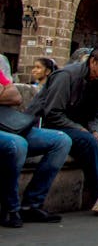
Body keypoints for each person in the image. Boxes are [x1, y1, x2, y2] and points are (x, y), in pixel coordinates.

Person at [24, 43, 98, 215]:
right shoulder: (67, 76)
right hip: (52, 126)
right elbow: (52, 113)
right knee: (88, 142)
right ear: (93, 62)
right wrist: (83, 130)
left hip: (79, 128)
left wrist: (94, 130)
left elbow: (94, 115)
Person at [0, 54, 71, 228]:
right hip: (10, 135)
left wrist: (5, 91)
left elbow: (15, 96)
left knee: (61, 140)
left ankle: (31, 204)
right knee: (17, 144)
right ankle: (10, 208)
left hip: (8, 124)